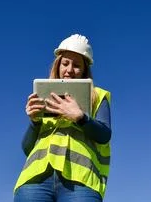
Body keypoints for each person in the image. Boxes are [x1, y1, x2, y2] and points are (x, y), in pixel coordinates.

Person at [14, 34, 112, 202]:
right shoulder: (44, 96)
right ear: (58, 65)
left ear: (84, 70)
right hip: (35, 180)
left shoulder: (98, 95)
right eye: (65, 63)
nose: (69, 70)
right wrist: (34, 122)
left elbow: (104, 135)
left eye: (76, 65)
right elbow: (26, 148)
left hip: (80, 182)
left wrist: (81, 117)